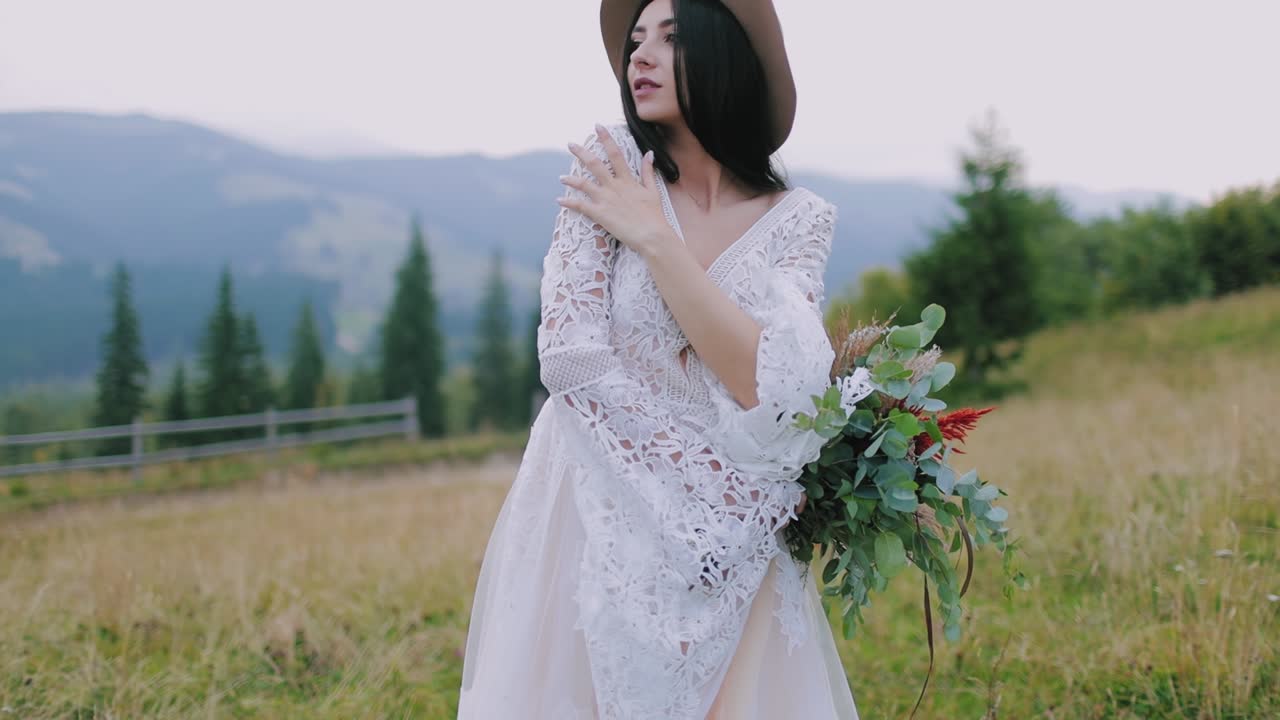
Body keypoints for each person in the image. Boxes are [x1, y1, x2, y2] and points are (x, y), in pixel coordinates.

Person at [458, 1, 859, 717]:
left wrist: (655, 240)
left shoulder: (798, 220)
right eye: (635, 40)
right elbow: (570, 357)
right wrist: (710, 493)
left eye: (669, 38)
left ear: (723, 53)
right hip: (598, 498)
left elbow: (766, 384)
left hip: (731, 541)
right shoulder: (610, 163)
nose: (639, 55)